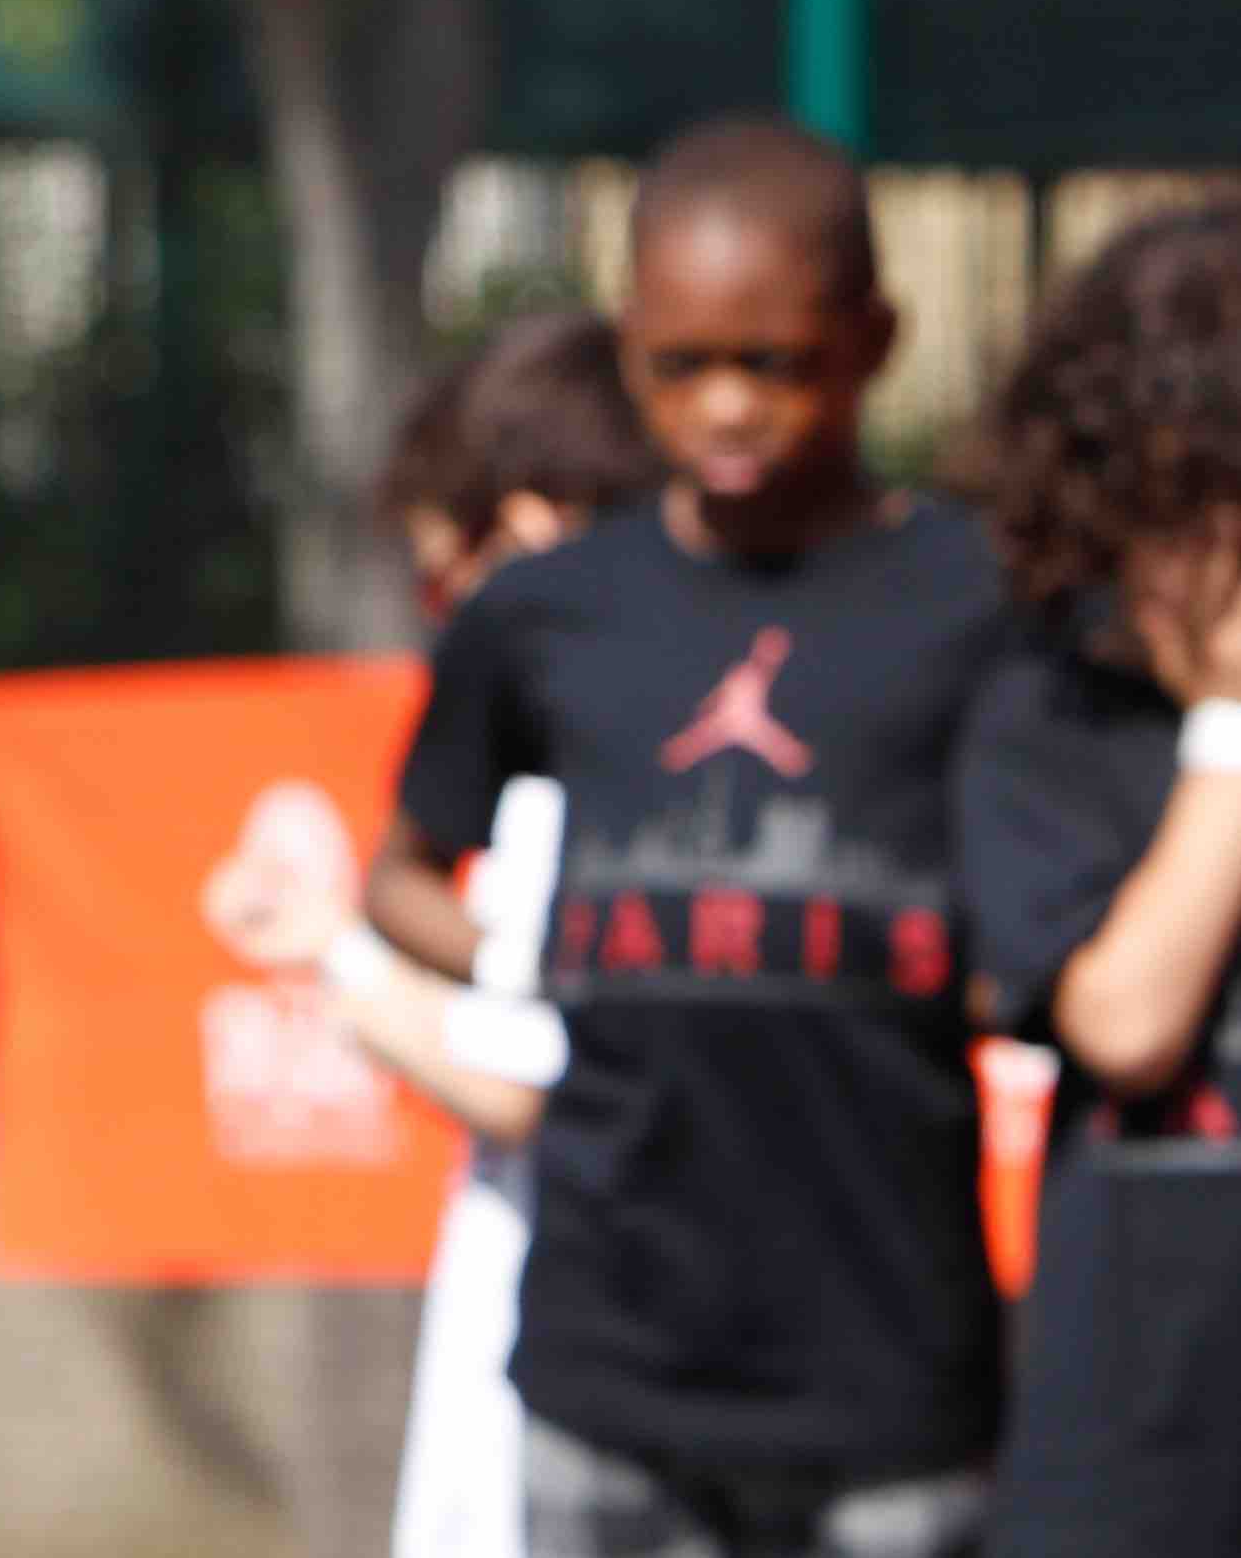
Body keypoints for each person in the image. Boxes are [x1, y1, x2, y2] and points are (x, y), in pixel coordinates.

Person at [363, 117, 1010, 1558]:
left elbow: (1045, 910)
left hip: (890, 1372)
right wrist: (551, 955)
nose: (726, 406)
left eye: (773, 363)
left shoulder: (978, 601)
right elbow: (400, 874)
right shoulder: (549, 611)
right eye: (681, 364)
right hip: (609, 1369)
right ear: (631, 345)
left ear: (875, 339)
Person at [204, 306, 662, 1558]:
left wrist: (331, 953)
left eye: (441, 579)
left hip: (592, 1392)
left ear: (528, 531)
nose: (440, 620)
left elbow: (525, 1080)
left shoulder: (615, 777)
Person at [949, 197, 1241, 1555]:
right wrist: (1234, 722)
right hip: (1140, 1442)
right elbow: (1127, 1021)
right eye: (1190, 506)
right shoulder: (1052, 706)